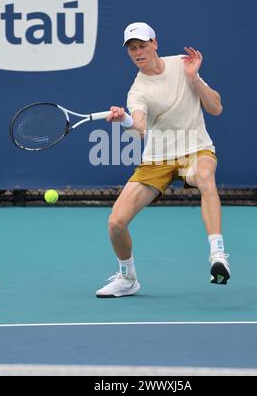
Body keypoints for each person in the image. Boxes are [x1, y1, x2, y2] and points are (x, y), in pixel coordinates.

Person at [95, 22, 230, 298]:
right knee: (115, 223)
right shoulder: (138, 90)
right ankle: (127, 277)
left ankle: (218, 254)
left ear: (155, 43)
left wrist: (193, 78)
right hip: (157, 159)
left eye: (142, 45)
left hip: (195, 149)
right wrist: (125, 120)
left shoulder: (183, 65)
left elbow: (216, 107)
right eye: (132, 49)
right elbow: (141, 125)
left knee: (205, 177)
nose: (138, 52)